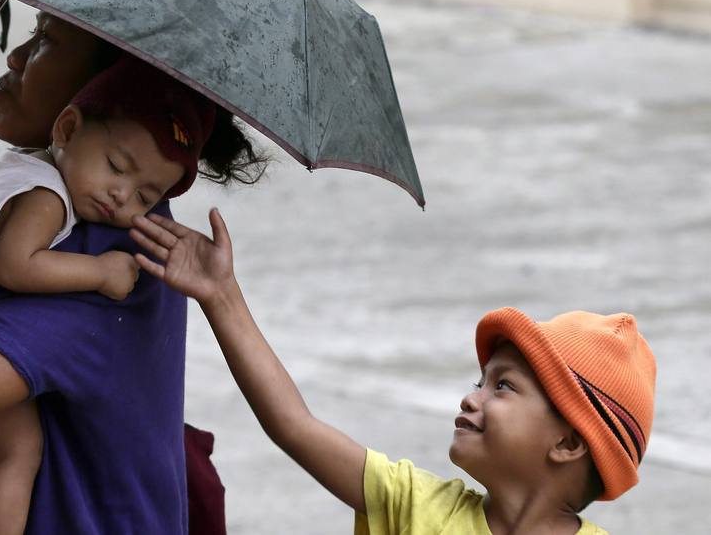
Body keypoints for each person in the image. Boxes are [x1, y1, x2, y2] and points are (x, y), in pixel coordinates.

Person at [0, 10, 265, 534]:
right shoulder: (35, 197)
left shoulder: (108, 250)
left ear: (93, 90)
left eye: (47, 41)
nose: (16, 57)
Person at [130, 210, 657, 535]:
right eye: (480, 382)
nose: (471, 399)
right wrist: (222, 296)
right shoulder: (416, 507)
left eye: (503, 386)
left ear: (567, 442)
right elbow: (293, 424)